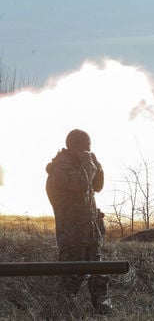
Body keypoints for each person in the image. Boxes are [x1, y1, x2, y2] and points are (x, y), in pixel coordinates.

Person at [45, 129, 112, 315]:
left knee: (99, 276)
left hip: (90, 233)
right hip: (72, 236)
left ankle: (103, 311)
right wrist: (87, 164)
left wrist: (96, 164)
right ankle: (58, 314)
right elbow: (79, 185)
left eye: (89, 148)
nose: (88, 151)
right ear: (73, 147)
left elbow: (97, 186)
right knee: (71, 278)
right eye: (85, 147)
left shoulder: (84, 165)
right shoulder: (61, 169)